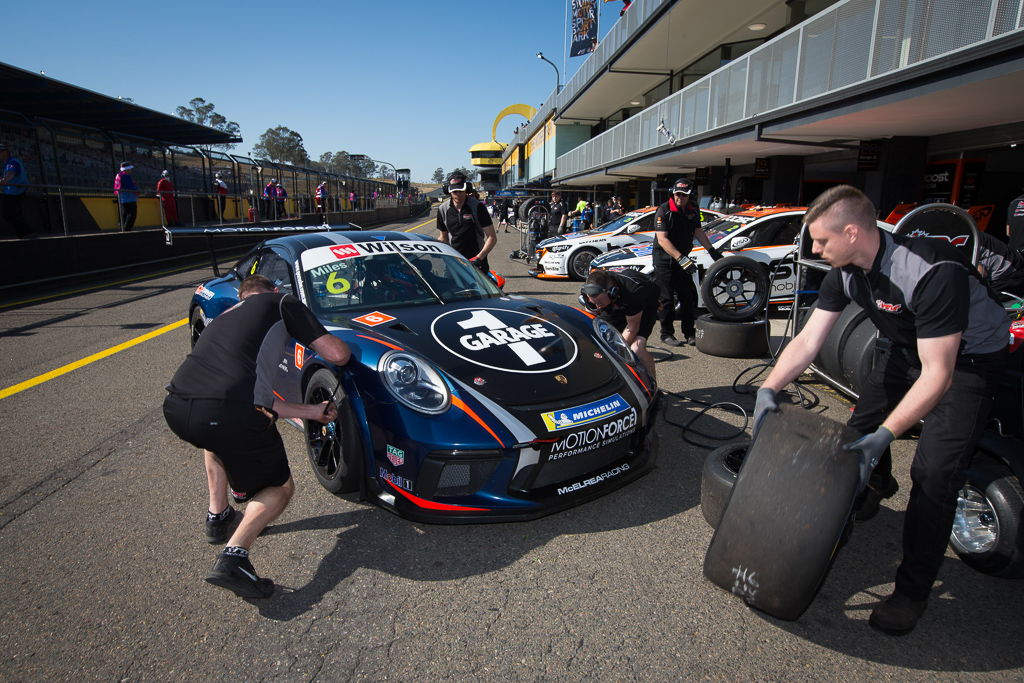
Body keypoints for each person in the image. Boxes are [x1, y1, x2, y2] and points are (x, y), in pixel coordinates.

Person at [752, 184, 1009, 635]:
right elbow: (809, 341)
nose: (814, 249)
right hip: (905, 345)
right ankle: (878, 481)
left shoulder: (930, 273)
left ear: (852, 232)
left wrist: (888, 435)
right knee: (857, 430)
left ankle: (912, 592)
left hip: (968, 361)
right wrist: (768, 388)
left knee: (934, 475)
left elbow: (938, 375)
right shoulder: (844, 271)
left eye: (821, 240)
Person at [163, 274, 351, 598]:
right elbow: (337, 354)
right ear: (273, 291)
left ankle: (218, 516)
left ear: (242, 298)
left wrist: (311, 412)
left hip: (178, 407)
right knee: (279, 488)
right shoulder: (281, 302)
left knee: (214, 438)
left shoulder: (226, 318)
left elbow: (256, 397)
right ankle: (234, 557)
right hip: (227, 410)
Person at [653, 178, 724, 346]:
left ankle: (689, 333)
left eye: (684, 195)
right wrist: (681, 258)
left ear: (690, 195)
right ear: (673, 193)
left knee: (687, 296)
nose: (680, 198)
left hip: (682, 259)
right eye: (677, 194)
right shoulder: (663, 210)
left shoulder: (693, 209)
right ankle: (666, 334)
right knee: (667, 299)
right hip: (664, 260)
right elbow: (662, 240)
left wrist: (711, 250)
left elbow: (698, 231)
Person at [581, 268, 659, 381]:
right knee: (598, 338)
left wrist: (615, 353)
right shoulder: (590, 290)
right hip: (614, 303)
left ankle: (652, 386)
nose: (597, 307)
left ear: (612, 293)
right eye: (594, 303)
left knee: (636, 349)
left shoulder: (634, 291)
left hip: (645, 305)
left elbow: (632, 329)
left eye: (600, 303)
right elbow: (589, 318)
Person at [435, 172, 496, 272]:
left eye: (461, 191)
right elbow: (443, 237)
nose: (458, 194)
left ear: (466, 189)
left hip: (477, 260)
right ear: (449, 191)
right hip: (454, 261)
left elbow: (492, 237)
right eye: (455, 192)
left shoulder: (477, 207)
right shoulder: (443, 209)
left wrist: (479, 258)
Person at [977, 230, 1024, 295]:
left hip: (1009, 276)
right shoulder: (970, 231)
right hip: (1015, 265)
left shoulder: (964, 241)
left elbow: (981, 273)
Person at [0, 143, 29, 238]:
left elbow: (8, 177)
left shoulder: (12, 163)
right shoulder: (9, 163)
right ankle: (25, 233)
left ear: (5, 153)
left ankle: (25, 233)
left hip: (14, 193)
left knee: (9, 214)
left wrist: (3, 181)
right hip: (15, 192)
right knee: (14, 214)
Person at [114, 162, 140, 231]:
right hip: (129, 198)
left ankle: (122, 227)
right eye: (130, 169)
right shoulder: (126, 176)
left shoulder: (119, 175)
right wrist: (137, 192)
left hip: (123, 198)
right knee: (132, 214)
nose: (131, 170)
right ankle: (127, 229)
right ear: (126, 169)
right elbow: (131, 187)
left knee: (125, 213)